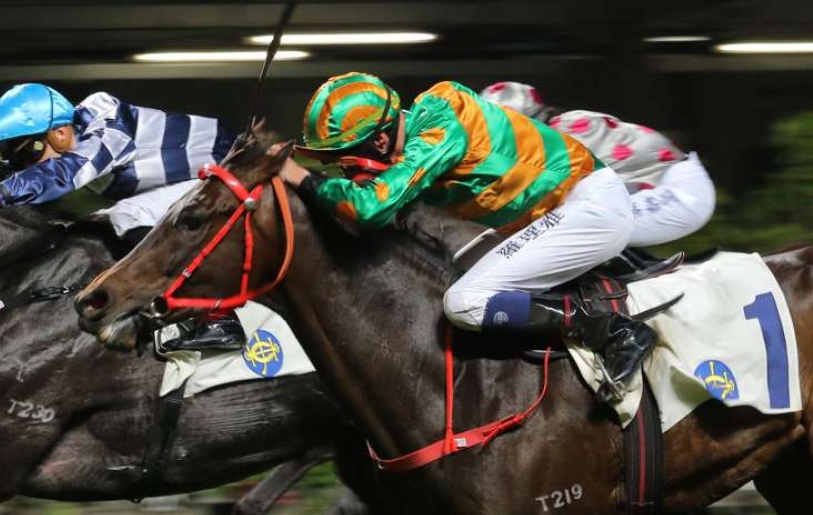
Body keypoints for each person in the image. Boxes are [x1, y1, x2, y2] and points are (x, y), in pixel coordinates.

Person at [276, 72, 653, 395]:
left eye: (345, 161)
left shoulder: (440, 119)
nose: (348, 175)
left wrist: (299, 176)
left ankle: (612, 332)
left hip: (587, 207)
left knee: (465, 302)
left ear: (379, 141)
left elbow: (368, 208)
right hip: (554, 217)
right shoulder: (409, 155)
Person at [0, 82, 244, 352]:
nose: (25, 164)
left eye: (29, 152)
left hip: (230, 172)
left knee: (130, 213)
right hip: (199, 180)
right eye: (16, 155)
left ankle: (218, 318)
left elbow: (59, 175)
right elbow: (32, 176)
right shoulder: (76, 138)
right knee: (107, 218)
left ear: (61, 133)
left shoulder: (108, 130)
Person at [480, 81, 715, 250]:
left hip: (678, 191)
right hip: (660, 184)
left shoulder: (566, 132)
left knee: (567, 232)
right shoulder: (553, 133)